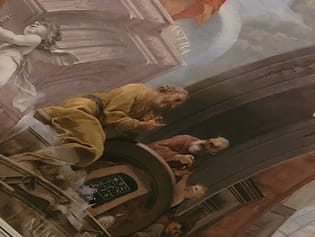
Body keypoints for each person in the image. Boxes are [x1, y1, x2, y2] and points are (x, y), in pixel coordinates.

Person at [12, 83, 188, 172]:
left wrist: (141, 126)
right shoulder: (137, 90)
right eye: (175, 101)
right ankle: (25, 161)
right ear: (169, 91)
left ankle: (36, 161)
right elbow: (113, 116)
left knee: (93, 147)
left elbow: (121, 132)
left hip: (92, 119)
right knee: (92, 148)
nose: (171, 106)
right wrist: (141, 124)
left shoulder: (147, 107)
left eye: (176, 107)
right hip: (84, 110)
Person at [0, 20, 75, 111]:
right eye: (34, 23)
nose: (35, 23)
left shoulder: (36, 38)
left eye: (42, 25)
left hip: (8, 59)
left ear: (47, 36)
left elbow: (12, 38)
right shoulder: (26, 39)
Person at [148, 135, 229, 174]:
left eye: (212, 146)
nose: (206, 144)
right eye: (209, 141)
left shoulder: (197, 162)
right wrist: (177, 157)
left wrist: (178, 173)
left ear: (213, 152)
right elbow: (154, 147)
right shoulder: (185, 139)